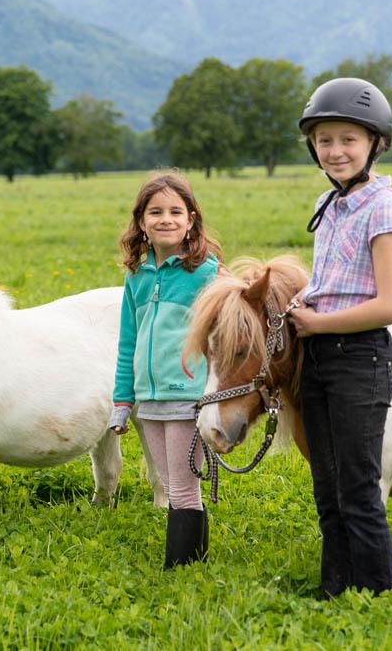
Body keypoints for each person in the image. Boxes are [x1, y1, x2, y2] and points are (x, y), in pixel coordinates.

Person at [287, 77, 392, 597]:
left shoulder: (384, 209)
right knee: (327, 486)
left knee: (359, 487)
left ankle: (377, 594)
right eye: (324, 140)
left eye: (348, 139)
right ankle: (334, 588)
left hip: (360, 357)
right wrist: (306, 304)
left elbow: (390, 305)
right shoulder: (330, 204)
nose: (335, 151)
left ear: (374, 144)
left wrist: (317, 323)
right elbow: (335, 286)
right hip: (319, 358)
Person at [108, 172, 221, 568]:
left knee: (183, 487)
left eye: (176, 211)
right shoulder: (137, 277)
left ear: (191, 219)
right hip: (149, 398)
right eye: (155, 212)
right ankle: (194, 561)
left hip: (189, 397)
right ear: (141, 222)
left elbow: (224, 337)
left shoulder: (206, 273)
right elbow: (128, 342)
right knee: (174, 484)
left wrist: (212, 395)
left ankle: (182, 568)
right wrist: (123, 400)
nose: (166, 219)